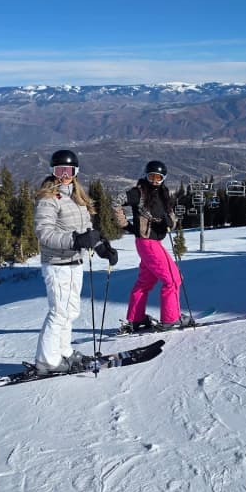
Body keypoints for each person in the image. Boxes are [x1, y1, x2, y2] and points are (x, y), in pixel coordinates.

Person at [33, 149, 118, 374]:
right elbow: (45, 233)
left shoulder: (77, 197)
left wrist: (100, 246)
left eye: (68, 171)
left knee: (70, 312)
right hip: (57, 264)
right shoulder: (48, 199)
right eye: (59, 170)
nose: (64, 175)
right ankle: (47, 361)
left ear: (75, 172)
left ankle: (64, 352)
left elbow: (85, 230)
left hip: (75, 263)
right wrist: (76, 240)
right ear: (53, 171)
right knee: (58, 311)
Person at [117, 159, 190, 332]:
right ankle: (170, 318)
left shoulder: (164, 194)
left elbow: (171, 219)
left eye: (159, 177)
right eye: (152, 176)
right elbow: (116, 203)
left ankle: (136, 318)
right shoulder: (139, 192)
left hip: (151, 242)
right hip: (147, 242)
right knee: (173, 280)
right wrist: (125, 225)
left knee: (146, 281)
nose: (155, 180)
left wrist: (169, 222)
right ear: (146, 175)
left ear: (163, 178)